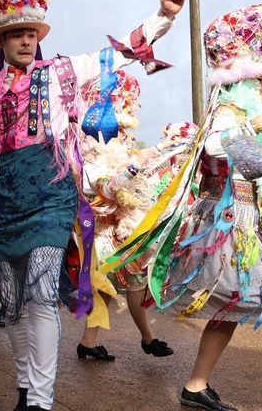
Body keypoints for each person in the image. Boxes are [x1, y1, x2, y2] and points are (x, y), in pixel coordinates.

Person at [0, 0, 186, 408]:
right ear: (2, 41)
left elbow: (122, 51)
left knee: (42, 292)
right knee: (13, 303)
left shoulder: (61, 72)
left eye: (32, 34)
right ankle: (25, 387)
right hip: (10, 202)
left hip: (53, 198)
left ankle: (41, 401)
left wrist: (165, 14)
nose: (26, 41)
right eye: (17, 34)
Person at [103, 4, 262, 411]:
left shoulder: (243, 116)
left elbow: (254, 165)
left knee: (230, 308)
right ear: (247, 80)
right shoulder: (229, 112)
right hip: (227, 228)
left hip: (240, 224)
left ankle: (196, 385)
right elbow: (219, 148)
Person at [76, 70, 175, 360]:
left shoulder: (123, 146)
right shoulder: (88, 150)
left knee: (134, 282)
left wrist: (160, 152)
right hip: (99, 228)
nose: (121, 133)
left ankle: (144, 338)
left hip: (126, 224)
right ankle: (96, 342)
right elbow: (106, 188)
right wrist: (136, 164)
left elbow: (137, 182)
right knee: (107, 286)